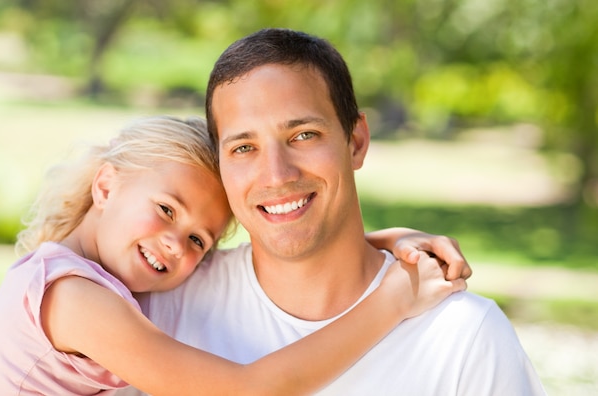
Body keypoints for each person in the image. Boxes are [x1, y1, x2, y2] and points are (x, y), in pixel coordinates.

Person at [122, 28, 546, 395]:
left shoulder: (463, 337)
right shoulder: (162, 310)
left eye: (304, 134)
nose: (277, 175)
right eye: (244, 147)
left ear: (356, 141)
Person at [0, 115, 468, 395]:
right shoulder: (72, 297)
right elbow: (246, 391)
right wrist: (393, 300)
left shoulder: (104, 271)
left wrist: (386, 241)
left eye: (198, 240)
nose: (175, 242)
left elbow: (280, 257)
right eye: (167, 209)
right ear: (106, 185)